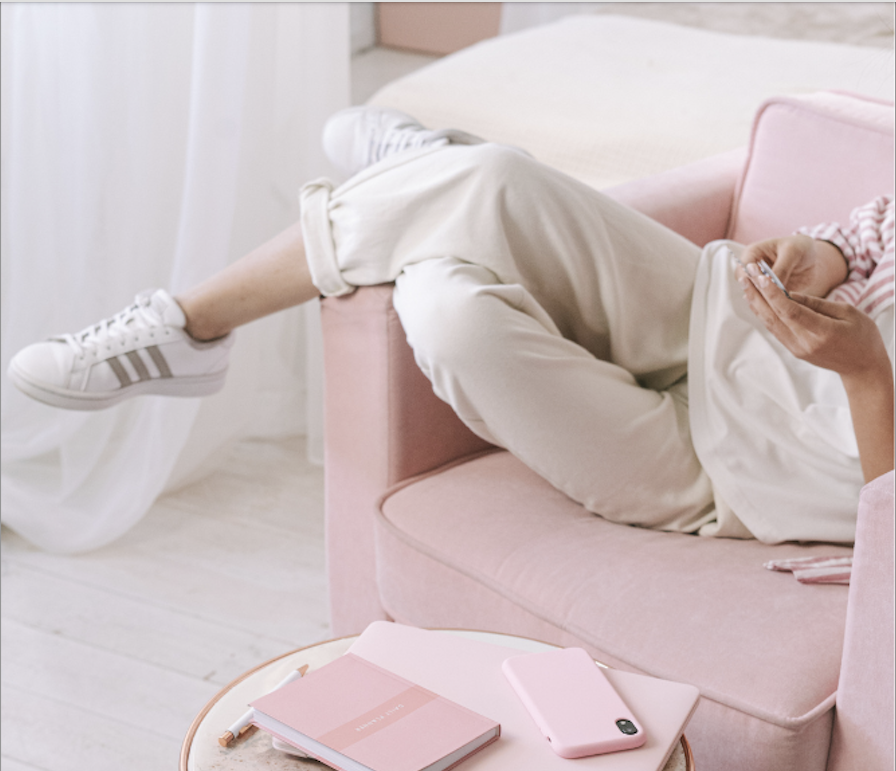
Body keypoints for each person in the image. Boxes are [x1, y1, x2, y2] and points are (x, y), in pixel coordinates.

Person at [8, 108, 894, 546]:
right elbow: (868, 233)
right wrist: (823, 253)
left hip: (732, 478)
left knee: (440, 308)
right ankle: (187, 323)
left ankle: (425, 174)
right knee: (496, 179)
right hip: (734, 320)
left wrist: (866, 374)